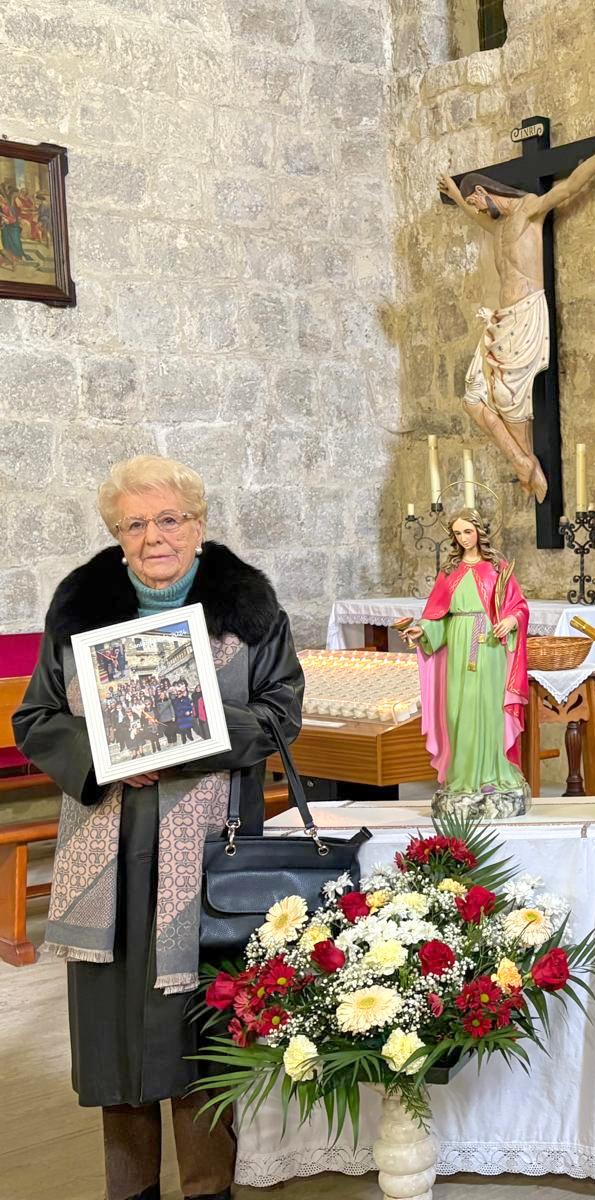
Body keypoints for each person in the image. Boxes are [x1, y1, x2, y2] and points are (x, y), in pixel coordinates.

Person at [14, 454, 304, 1200]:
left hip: (209, 855)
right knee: (117, 1037)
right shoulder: (78, 607)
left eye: (169, 519)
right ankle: (130, 1190)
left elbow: (280, 715)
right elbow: (36, 719)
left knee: (202, 1030)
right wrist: (106, 759)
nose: (154, 537)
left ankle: (210, 1187)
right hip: (105, 852)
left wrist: (191, 735)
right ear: (116, 535)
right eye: (135, 524)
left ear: (198, 527)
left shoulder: (252, 612)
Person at [436, 127, 595, 500]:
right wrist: (459, 198)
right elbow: (476, 214)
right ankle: (524, 461)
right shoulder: (499, 226)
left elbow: (567, 188)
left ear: (485, 193)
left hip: (525, 315)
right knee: (473, 398)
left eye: (476, 203)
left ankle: (526, 465)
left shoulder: (528, 210)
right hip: (501, 319)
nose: (477, 210)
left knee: (508, 400)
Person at [399, 508, 531, 818]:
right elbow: (438, 618)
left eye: (467, 532)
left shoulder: (498, 569)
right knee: (457, 713)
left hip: (490, 646)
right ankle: (463, 779)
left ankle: (492, 776)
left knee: (488, 709)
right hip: (458, 646)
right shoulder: (450, 572)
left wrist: (511, 620)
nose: (463, 538)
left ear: (479, 532)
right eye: (457, 533)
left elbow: (520, 607)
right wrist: (422, 629)